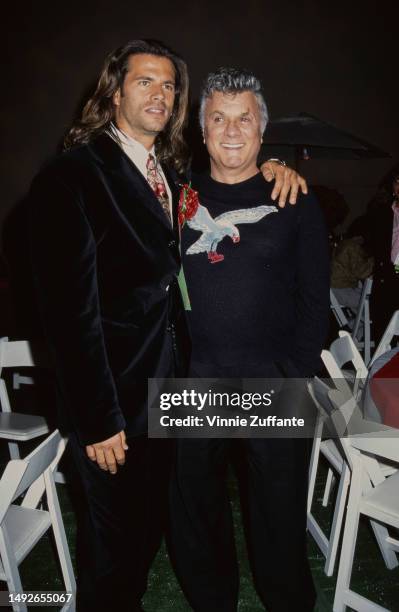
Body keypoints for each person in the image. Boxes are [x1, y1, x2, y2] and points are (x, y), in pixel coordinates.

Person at [27, 41, 306, 611]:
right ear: (113, 90)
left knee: (148, 531)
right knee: (116, 551)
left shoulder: (171, 177)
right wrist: (99, 419)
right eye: (144, 82)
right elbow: (67, 315)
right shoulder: (72, 176)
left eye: (169, 85)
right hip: (118, 404)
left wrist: (277, 165)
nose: (159, 94)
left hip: (174, 393)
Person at [168, 68, 330, 612]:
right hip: (194, 378)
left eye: (244, 119)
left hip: (273, 378)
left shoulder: (295, 199)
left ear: (262, 131)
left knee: (277, 511)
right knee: (194, 508)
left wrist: (299, 373)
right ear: (203, 129)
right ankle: (213, 601)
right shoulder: (173, 194)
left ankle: (288, 602)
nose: (231, 130)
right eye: (219, 117)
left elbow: (315, 298)